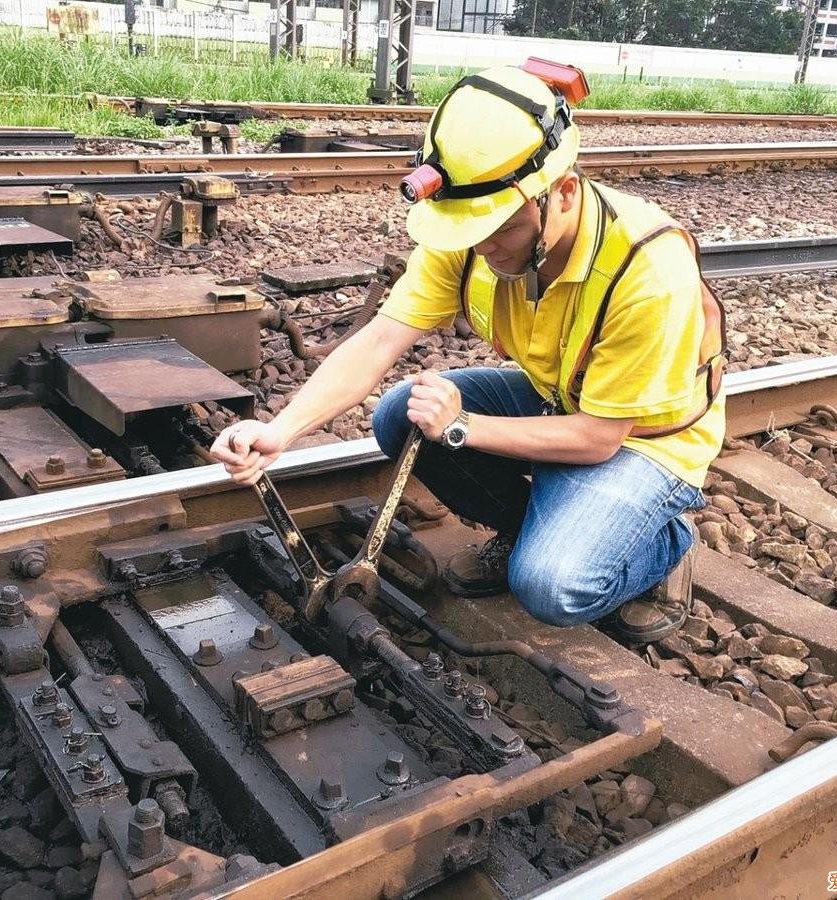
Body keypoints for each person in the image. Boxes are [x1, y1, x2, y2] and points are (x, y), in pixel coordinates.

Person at [210, 61, 726, 645]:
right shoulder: (470, 229)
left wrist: (463, 427)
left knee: (552, 586)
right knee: (400, 411)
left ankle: (665, 543)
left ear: (560, 191)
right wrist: (281, 431)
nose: (483, 248)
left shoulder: (646, 269)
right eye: (469, 231)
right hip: (561, 398)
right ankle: (530, 525)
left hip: (645, 438)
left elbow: (601, 437)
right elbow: (381, 338)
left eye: (500, 228)